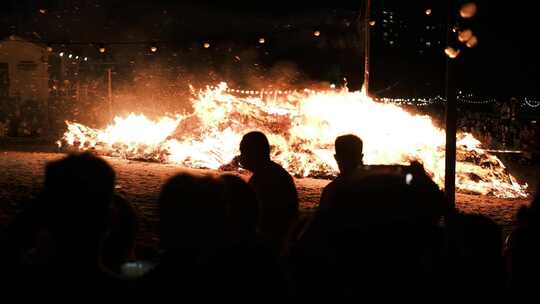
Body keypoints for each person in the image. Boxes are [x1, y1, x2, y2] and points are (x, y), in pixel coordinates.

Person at [239, 131, 299, 254]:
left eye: (243, 151)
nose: (241, 156)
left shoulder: (264, 179)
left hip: (270, 244)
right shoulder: (273, 173)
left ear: (254, 152)